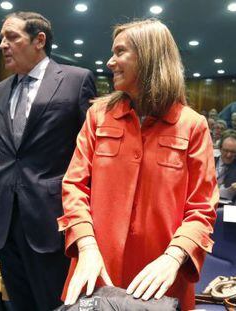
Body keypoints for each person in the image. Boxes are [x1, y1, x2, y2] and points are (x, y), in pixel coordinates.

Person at [58, 19, 218, 311]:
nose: (110, 62)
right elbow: (74, 186)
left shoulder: (193, 126)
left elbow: (202, 208)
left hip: (161, 283)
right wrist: (87, 246)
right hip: (97, 272)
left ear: (149, 56)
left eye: (119, 52)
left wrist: (174, 256)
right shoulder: (97, 116)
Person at [0, 11, 96, 310]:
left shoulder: (76, 80)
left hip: (52, 218)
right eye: (1, 38)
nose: (2, 44)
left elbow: (92, 155)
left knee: (56, 303)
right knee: (21, 302)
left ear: (39, 40)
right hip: (4, 222)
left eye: (11, 37)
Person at [215, 130, 236, 201]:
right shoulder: (208, 162)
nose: (228, 155)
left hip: (226, 208)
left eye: (233, 152)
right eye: (226, 150)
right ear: (220, 148)